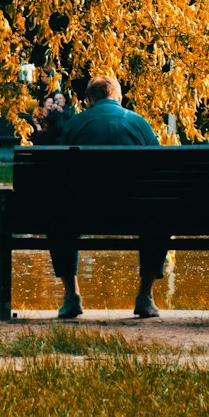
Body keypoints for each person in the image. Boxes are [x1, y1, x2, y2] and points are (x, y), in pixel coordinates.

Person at [50, 76, 166, 320]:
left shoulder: (75, 124)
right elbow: (159, 167)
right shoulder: (139, 123)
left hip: (82, 214)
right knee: (159, 213)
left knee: (59, 213)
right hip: (136, 213)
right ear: (118, 97)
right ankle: (145, 296)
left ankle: (72, 296)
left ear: (90, 100)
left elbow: (60, 173)